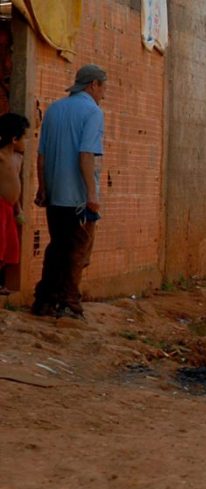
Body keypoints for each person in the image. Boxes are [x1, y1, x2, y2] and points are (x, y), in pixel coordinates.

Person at [32, 64, 107, 319]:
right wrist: (91, 194)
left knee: (58, 247)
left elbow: (41, 155)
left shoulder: (54, 109)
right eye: (102, 87)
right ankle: (70, 303)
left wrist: (43, 187)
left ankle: (44, 300)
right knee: (77, 249)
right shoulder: (93, 112)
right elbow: (86, 154)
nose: (103, 93)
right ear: (93, 85)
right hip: (77, 196)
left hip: (54, 193)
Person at [0, 113, 29, 295]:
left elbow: (16, 185)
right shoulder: (1, 157)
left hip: (10, 209)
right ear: (14, 138)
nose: (26, 141)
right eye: (24, 137)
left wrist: (18, 210)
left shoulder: (18, 159)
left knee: (9, 246)